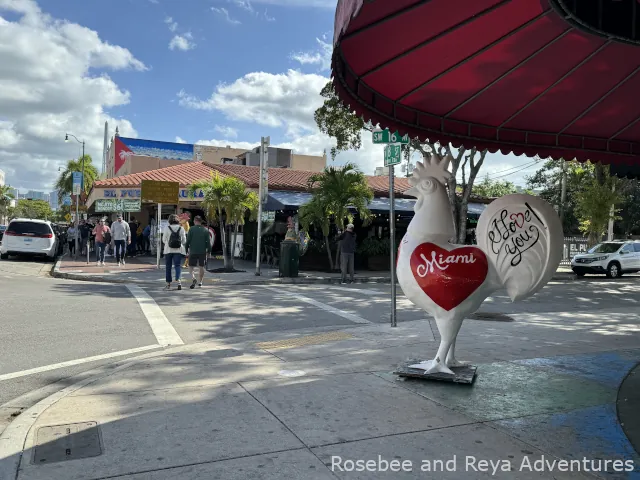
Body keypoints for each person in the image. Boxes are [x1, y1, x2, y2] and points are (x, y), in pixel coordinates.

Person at [163, 214, 186, 290]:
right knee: (177, 265)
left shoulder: (167, 228)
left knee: (168, 267)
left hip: (168, 250)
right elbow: (184, 240)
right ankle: (179, 281)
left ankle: (168, 284)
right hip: (178, 250)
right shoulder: (181, 228)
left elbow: (163, 240)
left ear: (169, 220)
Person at [185, 216, 210, 289]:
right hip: (202, 251)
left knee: (190, 266)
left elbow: (188, 241)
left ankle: (193, 278)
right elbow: (208, 242)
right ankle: (200, 282)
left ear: (195, 221)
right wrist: (209, 251)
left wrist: (186, 249)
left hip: (193, 251)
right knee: (201, 266)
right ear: (201, 221)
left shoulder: (191, 229)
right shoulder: (205, 230)